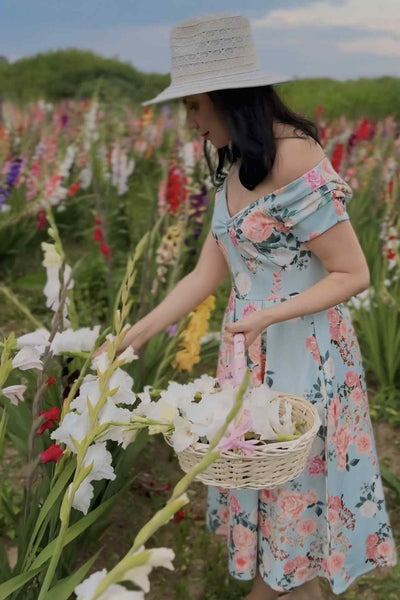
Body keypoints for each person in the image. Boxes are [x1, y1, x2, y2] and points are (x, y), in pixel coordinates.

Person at [93, 13, 397, 600]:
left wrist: (267, 316)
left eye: (194, 106)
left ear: (229, 100)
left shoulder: (297, 160)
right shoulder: (238, 167)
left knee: (295, 523)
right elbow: (209, 272)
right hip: (252, 358)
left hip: (305, 359)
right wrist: (141, 330)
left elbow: (352, 272)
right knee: (274, 521)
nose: (192, 122)